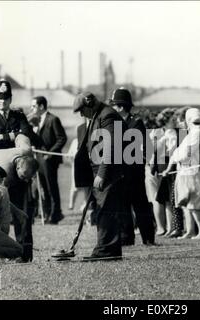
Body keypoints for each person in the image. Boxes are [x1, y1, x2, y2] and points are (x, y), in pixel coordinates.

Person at [73, 91, 127, 262]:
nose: (81, 114)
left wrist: (102, 174)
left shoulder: (108, 115)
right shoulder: (99, 115)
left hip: (109, 172)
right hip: (99, 171)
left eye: (82, 110)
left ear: (90, 104)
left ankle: (107, 250)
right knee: (103, 210)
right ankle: (108, 248)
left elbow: (112, 147)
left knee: (106, 210)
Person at [109, 88, 156, 245]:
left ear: (121, 107)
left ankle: (148, 237)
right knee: (122, 205)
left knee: (140, 205)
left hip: (134, 172)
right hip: (120, 172)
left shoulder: (136, 123)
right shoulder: (114, 124)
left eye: (114, 105)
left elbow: (140, 147)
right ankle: (126, 236)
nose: (112, 109)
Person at [162, 108, 200, 239]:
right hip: (185, 171)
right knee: (187, 204)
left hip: (193, 171)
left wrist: (177, 156)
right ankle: (190, 231)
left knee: (195, 203)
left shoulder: (196, 132)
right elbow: (177, 153)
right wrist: (175, 158)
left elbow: (185, 154)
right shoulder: (190, 134)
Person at [30, 96, 67, 224]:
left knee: (52, 188)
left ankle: (56, 214)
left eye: (34, 106)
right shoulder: (36, 121)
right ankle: (46, 213)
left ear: (41, 106)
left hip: (50, 160)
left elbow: (62, 138)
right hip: (40, 160)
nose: (32, 109)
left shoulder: (53, 119)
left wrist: (50, 154)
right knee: (43, 188)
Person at [0, 79, 35, 151]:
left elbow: (27, 134)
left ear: (10, 100)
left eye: (6, 98)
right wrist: (14, 139)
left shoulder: (19, 116)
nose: (3, 101)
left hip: (17, 156)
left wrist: (4, 137)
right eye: (0, 98)